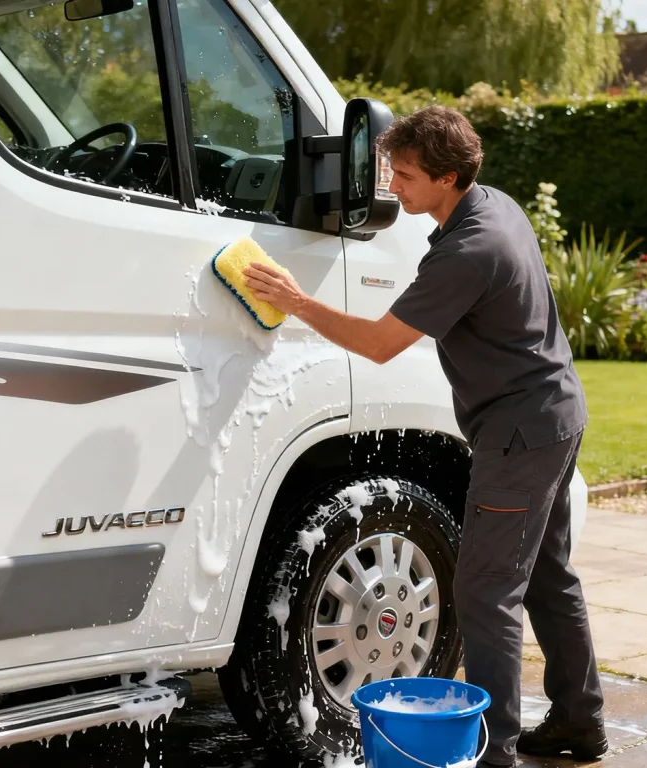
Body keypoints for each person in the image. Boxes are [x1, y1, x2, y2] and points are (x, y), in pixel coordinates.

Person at [243, 105, 606, 767]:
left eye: (405, 175)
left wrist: (296, 301)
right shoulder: (490, 206)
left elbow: (381, 343)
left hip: (520, 433)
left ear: (446, 176)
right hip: (555, 415)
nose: (394, 187)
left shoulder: (472, 248)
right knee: (549, 579)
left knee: (486, 591)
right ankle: (581, 722)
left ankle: (493, 750)